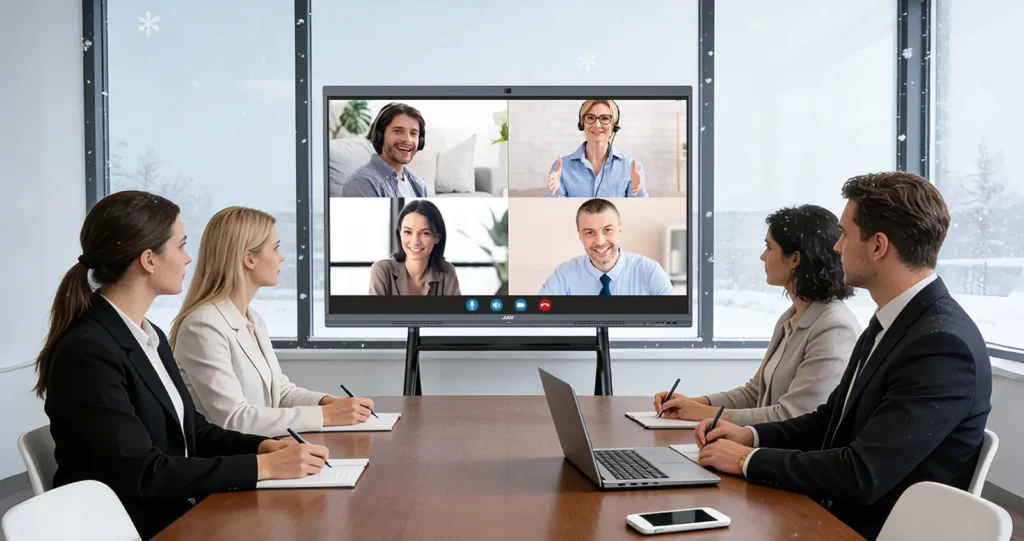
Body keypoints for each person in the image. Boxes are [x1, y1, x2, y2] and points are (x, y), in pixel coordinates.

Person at [693, 172, 992, 540]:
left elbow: (862, 473)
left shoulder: (942, 345)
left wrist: (747, 461)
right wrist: (750, 437)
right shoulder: (891, 323)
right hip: (837, 513)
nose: (836, 248)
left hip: (869, 528)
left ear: (879, 246)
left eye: (845, 234)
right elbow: (829, 421)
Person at [34, 191, 330, 540]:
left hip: (173, 511)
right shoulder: (89, 353)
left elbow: (193, 432)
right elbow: (144, 474)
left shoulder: (147, 334)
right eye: (181, 245)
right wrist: (261, 467)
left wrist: (261, 447)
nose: (189, 258)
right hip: (135, 526)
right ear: (148, 259)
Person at [171, 207, 375, 438]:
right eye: (276, 248)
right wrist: (326, 416)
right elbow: (233, 419)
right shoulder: (202, 326)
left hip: (264, 450)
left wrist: (329, 403)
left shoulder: (252, 320)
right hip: (232, 461)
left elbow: (280, 392)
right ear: (249, 258)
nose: (282, 257)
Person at [654, 205, 860, 425]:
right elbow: (755, 394)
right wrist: (698, 402)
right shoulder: (791, 317)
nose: (763, 257)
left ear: (794, 259)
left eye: (768, 248)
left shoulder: (834, 328)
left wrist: (701, 413)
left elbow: (793, 416)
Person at [539, 198, 672, 295]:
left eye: (607, 230)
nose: (600, 241)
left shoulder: (649, 271)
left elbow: (674, 323)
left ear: (619, 229)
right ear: (580, 235)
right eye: (590, 233)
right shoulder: (564, 275)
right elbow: (539, 321)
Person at [544, 99, 647, 198]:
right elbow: (554, 213)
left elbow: (640, 212)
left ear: (614, 126)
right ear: (582, 124)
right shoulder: (561, 168)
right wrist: (556, 193)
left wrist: (636, 191)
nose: (597, 125)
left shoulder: (631, 167)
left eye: (605, 118)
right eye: (590, 118)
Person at [369, 199, 461, 295]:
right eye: (408, 232)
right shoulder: (382, 270)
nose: (415, 242)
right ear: (399, 234)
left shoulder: (446, 273)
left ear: (437, 238)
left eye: (425, 233)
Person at [339, 102, 430, 197]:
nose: (407, 139)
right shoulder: (361, 184)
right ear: (380, 135)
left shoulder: (419, 185)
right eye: (398, 131)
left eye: (413, 133)